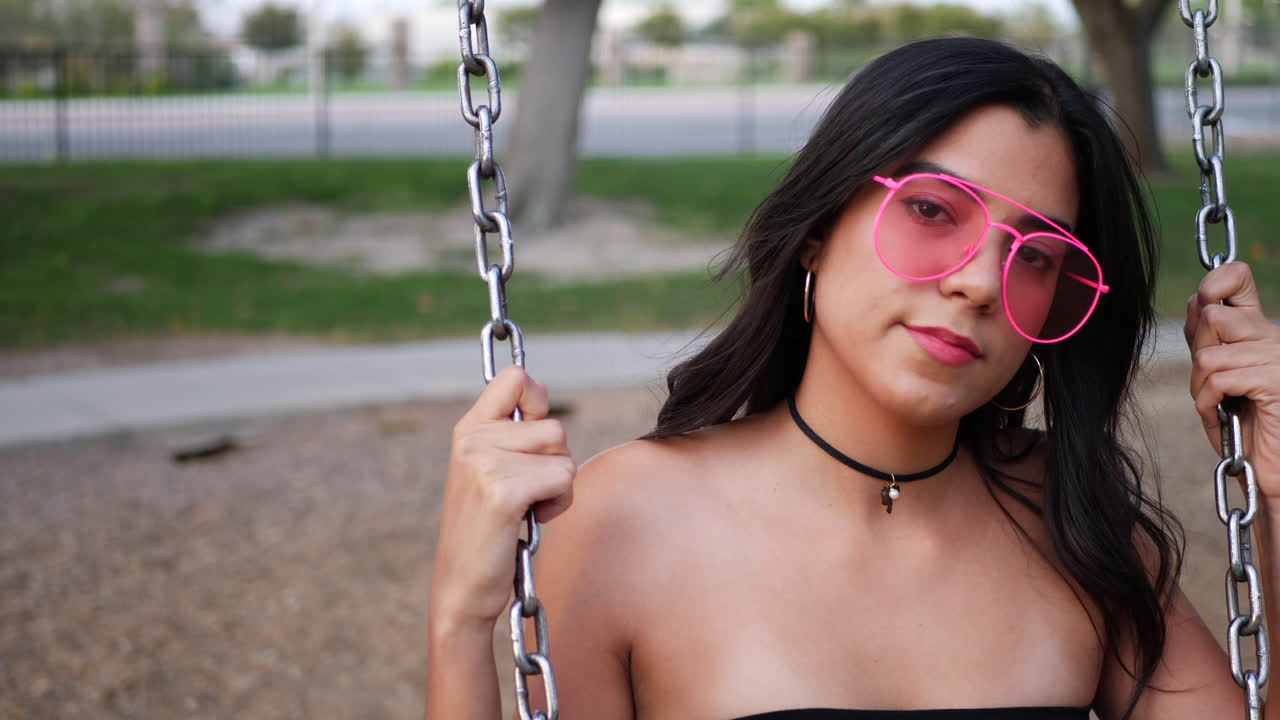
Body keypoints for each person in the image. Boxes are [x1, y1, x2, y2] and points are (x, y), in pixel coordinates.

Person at [426, 37, 1280, 720]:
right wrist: (460, 624)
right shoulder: (619, 521)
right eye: (932, 209)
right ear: (816, 232)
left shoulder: (1073, 520)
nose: (979, 282)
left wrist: (1278, 489)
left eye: (1038, 255)